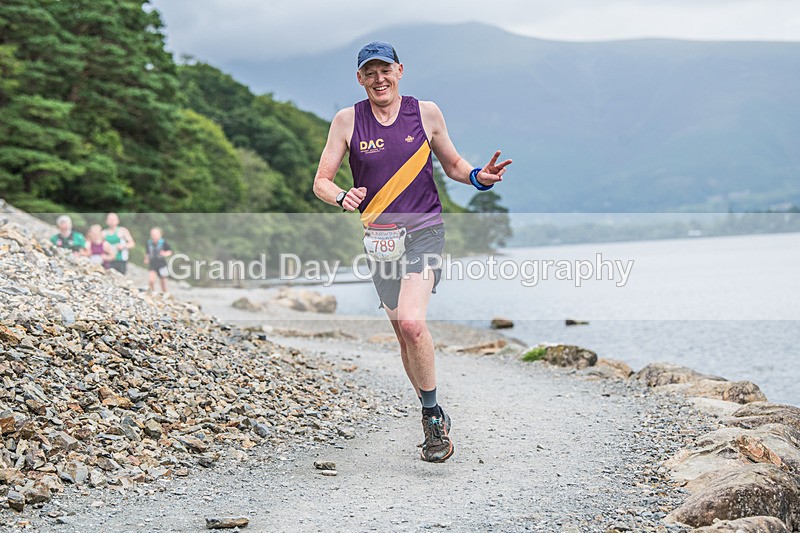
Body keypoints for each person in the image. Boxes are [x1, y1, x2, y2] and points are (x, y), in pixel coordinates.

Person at [312, 41, 511, 462]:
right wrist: (341, 196)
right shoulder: (347, 121)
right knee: (402, 332)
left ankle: (433, 416)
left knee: (413, 323)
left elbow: (454, 165)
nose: (379, 79)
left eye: (386, 70)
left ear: (400, 70)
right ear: (360, 78)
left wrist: (480, 177)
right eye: (370, 72)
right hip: (380, 241)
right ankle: (428, 409)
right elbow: (322, 181)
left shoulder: (426, 113)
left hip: (425, 232)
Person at [144, 227, 173, 292]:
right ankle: (153, 292)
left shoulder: (164, 242)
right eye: (152, 234)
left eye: (155, 234)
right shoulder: (149, 243)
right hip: (153, 264)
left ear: (160, 235)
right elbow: (147, 253)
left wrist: (165, 253)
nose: (154, 236)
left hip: (162, 264)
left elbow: (170, 251)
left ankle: (165, 294)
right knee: (151, 280)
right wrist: (146, 259)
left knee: (163, 282)